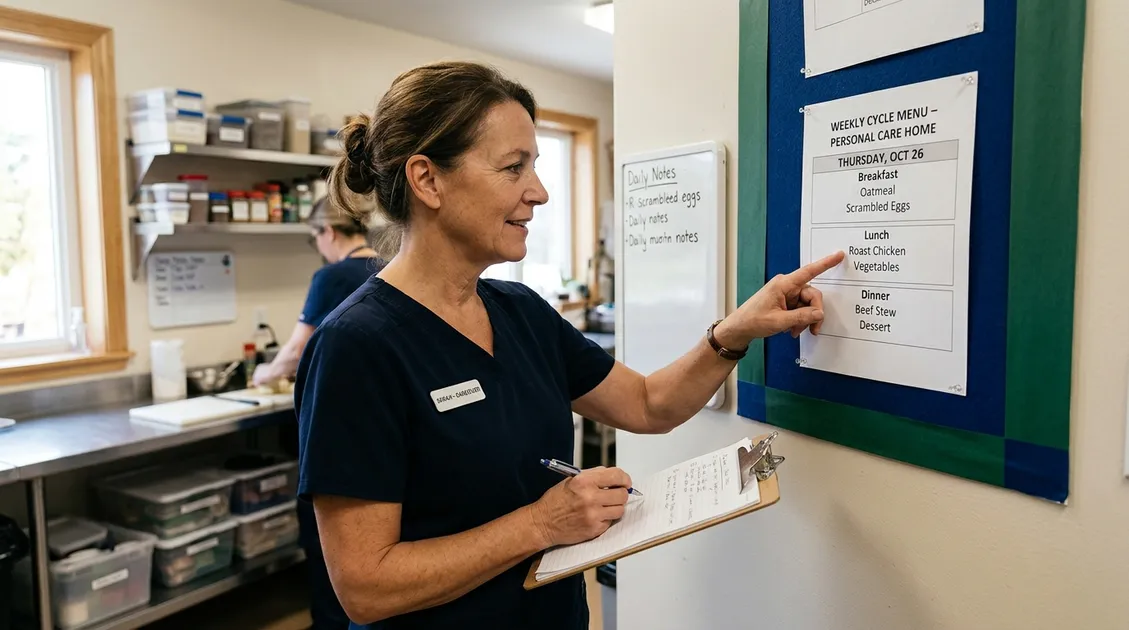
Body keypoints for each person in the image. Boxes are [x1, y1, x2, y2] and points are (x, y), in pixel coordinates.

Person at [294, 61, 845, 630]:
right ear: (427, 179)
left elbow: (648, 404)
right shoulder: (357, 347)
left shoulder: (520, 312)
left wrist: (735, 332)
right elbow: (365, 585)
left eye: (535, 165)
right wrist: (540, 524)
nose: (540, 192)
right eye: (513, 168)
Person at [254, 195, 383, 630]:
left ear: (328, 232)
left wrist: (263, 374)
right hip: (384, 422)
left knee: (330, 539)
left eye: (316, 239)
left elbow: (295, 351)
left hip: (337, 426)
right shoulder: (388, 266)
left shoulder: (331, 276)